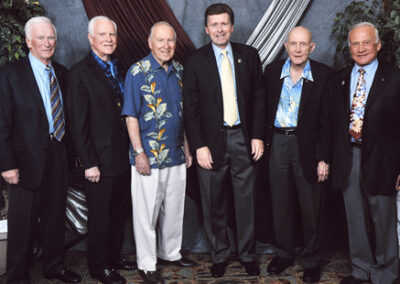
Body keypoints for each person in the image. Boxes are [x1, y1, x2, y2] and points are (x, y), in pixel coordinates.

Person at [183, 3, 265, 278]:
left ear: (232, 26)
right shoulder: (195, 61)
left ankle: (247, 254)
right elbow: (190, 107)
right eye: (213, 25)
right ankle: (219, 254)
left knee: (246, 201)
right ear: (207, 29)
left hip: (243, 138)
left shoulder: (249, 56)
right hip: (211, 143)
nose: (219, 29)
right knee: (213, 201)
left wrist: (257, 135)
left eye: (223, 24)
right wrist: (198, 146)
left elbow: (259, 98)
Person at [0, 16, 81, 284]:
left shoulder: (62, 72)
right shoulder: (10, 74)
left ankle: (54, 266)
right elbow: (1, 122)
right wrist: (7, 164)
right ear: (28, 41)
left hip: (58, 153)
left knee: (55, 216)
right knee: (22, 225)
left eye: (51, 38)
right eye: (41, 38)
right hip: (23, 161)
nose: (47, 43)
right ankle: (17, 276)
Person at [122, 21, 195, 284]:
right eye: (160, 41)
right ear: (150, 43)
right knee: (146, 213)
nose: (166, 46)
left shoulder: (179, 70)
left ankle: (171, 253)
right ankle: (147, 262)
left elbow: (183, 114)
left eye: (170, 41)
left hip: (175, 153)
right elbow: (131, 115)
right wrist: (139, 151)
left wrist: (187, 147)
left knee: (174, 209)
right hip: (148, 157)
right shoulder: (137, 71)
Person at [327, 22, 400, 284]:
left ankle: (386, 273)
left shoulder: (394, 78)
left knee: (383, 219)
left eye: (366, 42)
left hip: (384, 160)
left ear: (378, 45)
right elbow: (331, 124)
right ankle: (361, 270)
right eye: (355, 43)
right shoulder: (340, 79)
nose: (361, 48)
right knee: (355, 217)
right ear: (349, 48)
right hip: (349, 157)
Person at [66, 16, 135, 284]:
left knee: (119, 213)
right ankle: (99, 267)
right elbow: (77, 123)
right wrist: (88, 162)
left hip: (123, 157)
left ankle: (114, 258)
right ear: (90, 38)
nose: (108, 39)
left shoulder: (120, 67)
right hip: (99, 161)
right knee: (100, 216)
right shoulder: (79, 73)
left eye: (112, 35)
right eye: (102, 35)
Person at [263, 26, 331, 283]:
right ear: (286, 46)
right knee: (280, 204)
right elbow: (260, 107)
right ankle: (284, 253)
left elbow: (328, 122)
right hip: (278, 143)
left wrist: (324, 157)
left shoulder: (324, 75)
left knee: (311, 206)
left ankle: (312, 259)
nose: (299, 49)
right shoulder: (272, 72)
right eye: (294, 44)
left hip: (309, 148)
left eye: (304, 44)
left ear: (312, 47)